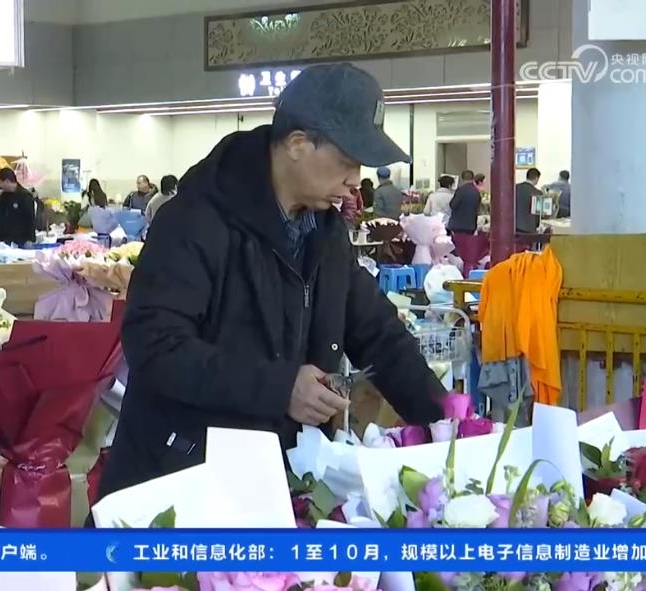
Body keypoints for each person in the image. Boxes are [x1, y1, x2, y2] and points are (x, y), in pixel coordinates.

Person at [93, 63, 447, 503]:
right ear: (297, 144)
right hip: (182, 483)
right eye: (346, 161)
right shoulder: (194, 221)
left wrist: (448, 424)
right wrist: (280, 388)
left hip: (278, 481)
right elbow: (156, 346)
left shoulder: (324, 231)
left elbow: (379, 334)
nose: (355, 180)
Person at [0, 168, 36, 246]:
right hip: (4, 237)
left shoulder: (25, 196)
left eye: (0, 183)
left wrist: (30, 239)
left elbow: (30, 218)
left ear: (7, 181)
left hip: (20, 238)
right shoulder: (4, 195)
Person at [448, 170, 481, 234]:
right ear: (473, 178)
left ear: (462, 178)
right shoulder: (476, 192)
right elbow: (478, 207)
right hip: (471, 225)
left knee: (458, 240)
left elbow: (453, 205)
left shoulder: (461, 190)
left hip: (458, 225)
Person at [515, 167, 543, 234]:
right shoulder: (538, 193)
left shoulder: (514, 188)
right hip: (529, 229)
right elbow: (538, 215)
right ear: (537, 178)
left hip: (514, 227)